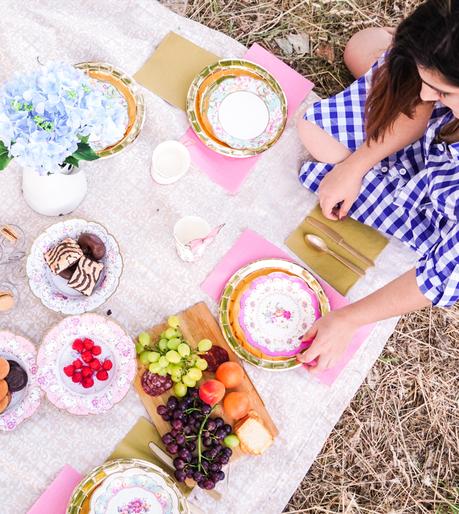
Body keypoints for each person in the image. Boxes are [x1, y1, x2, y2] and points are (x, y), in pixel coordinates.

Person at [296, 0, 459, 371]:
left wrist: (347, 319)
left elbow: (442, 277)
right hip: (437, 142)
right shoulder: (433, 91)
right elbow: (420, 98)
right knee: (361, 49)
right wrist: (356, 166)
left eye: (444, 91)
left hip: (436, 207)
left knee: (323, 140)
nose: (429, 96)